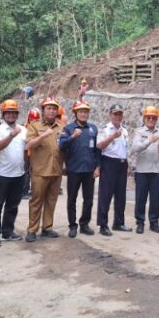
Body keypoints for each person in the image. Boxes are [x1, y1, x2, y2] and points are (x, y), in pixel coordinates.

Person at [25, 96, 64, 242]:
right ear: (43, 110)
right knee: (36, 200)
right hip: (40, 171)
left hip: (56, 169)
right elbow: (29, 145)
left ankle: (47, 227)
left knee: (51, 200)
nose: (52, 111)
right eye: (49, 108)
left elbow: (65, 147)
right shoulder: (34, 126)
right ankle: (32, 230)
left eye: (54, 108)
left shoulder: (61, 126)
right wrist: (43, 136)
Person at [0, 100, 28, 245]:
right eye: (8, 112)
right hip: (1, 174)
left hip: (18, 174)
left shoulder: (23, 130)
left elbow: (26, 149)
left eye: (13, 112)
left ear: (17, 114)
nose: (11, 115)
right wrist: (11, 135)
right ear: (3, 115)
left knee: (13, 205)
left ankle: (8, 231)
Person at [59, 100, 99, 238]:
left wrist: (97, 167)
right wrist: (72, 137)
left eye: (86, 112)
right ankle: (72, 225)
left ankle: (84, 224)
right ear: (75, 113)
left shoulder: (93, 128)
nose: (83, 114)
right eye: (81, 112)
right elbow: (62, 145)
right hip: (74, 169)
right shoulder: (68, 128)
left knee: (88, 199)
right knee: (72, 199)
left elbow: (97, 150)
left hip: (89, 170)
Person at [130, 106, 159, 234]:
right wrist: (148, 141)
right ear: (144, 118)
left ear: (156, 119)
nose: (151, 120)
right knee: (140, 198)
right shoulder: (139, 132)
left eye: (153, 118)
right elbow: (135, 148)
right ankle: (140, 222)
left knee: (155, 199)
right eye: (148, 117)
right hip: (142, 170)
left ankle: (154, 222)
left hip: (156, 170)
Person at [97, 104, 131, 235]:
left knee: (121, 195)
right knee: (105, 195)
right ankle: (103, 224)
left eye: (120, 114)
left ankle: (119, 222)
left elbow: (126, 148)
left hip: (122, 164)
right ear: (110, 115)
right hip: (109, 162)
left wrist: (127, 164)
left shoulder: (125, 130)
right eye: (115, 114)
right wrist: (112, 137)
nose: (118, 117)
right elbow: (99, 145)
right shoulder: (105, 129)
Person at [22, 108, 41, 199]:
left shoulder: (28, 127)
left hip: (33, 153)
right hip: (28, 153)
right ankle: (24, 191)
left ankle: (30, 190)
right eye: (32, 119)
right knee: (27, 172)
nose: (33, 121)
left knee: (31, 172)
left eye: (35, 120)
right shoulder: (27, 128)